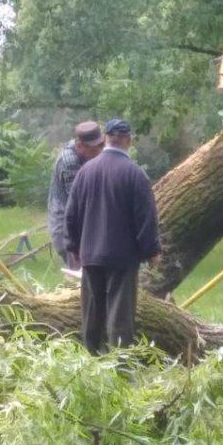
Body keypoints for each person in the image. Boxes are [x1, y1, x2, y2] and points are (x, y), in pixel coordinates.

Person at [64, 118, 160, 355]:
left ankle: (91, 359)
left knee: (91, 311)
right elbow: (146, 218)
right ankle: (120, 364)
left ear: (105, 139)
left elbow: (71, 214)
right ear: (129, 141)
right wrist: (151, 251)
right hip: (122, 256)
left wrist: (73, 245)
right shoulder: (135, 174)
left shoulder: (85, 172)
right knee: (120, 315)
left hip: (90, 253)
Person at [47, 120, 104, 263]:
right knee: (77, 276)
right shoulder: (70, 161)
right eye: (93, 151)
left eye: (100, 147)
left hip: (82, 224)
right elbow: (80, 201)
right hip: (66, 228)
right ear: (79, 146)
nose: (98, 154)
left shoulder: (88, 153)